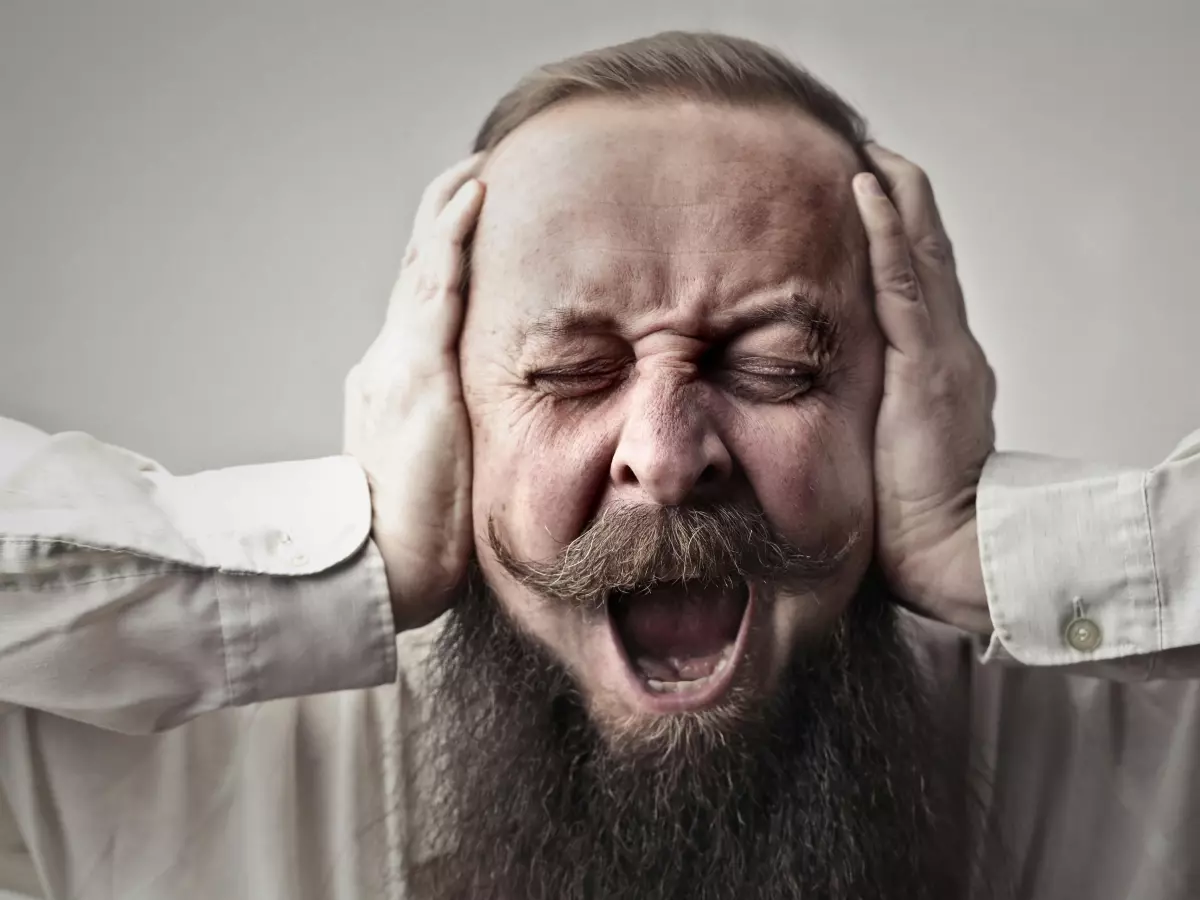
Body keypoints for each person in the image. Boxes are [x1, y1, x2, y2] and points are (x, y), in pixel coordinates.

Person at [1, 30, 1199, 900]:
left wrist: (990, 553)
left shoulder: (1135, 735)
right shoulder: (162, 757)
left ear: (899, 399)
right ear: (447, 412)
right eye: (572, 371)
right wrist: (340, 568)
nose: (666, 459)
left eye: (777, 365)